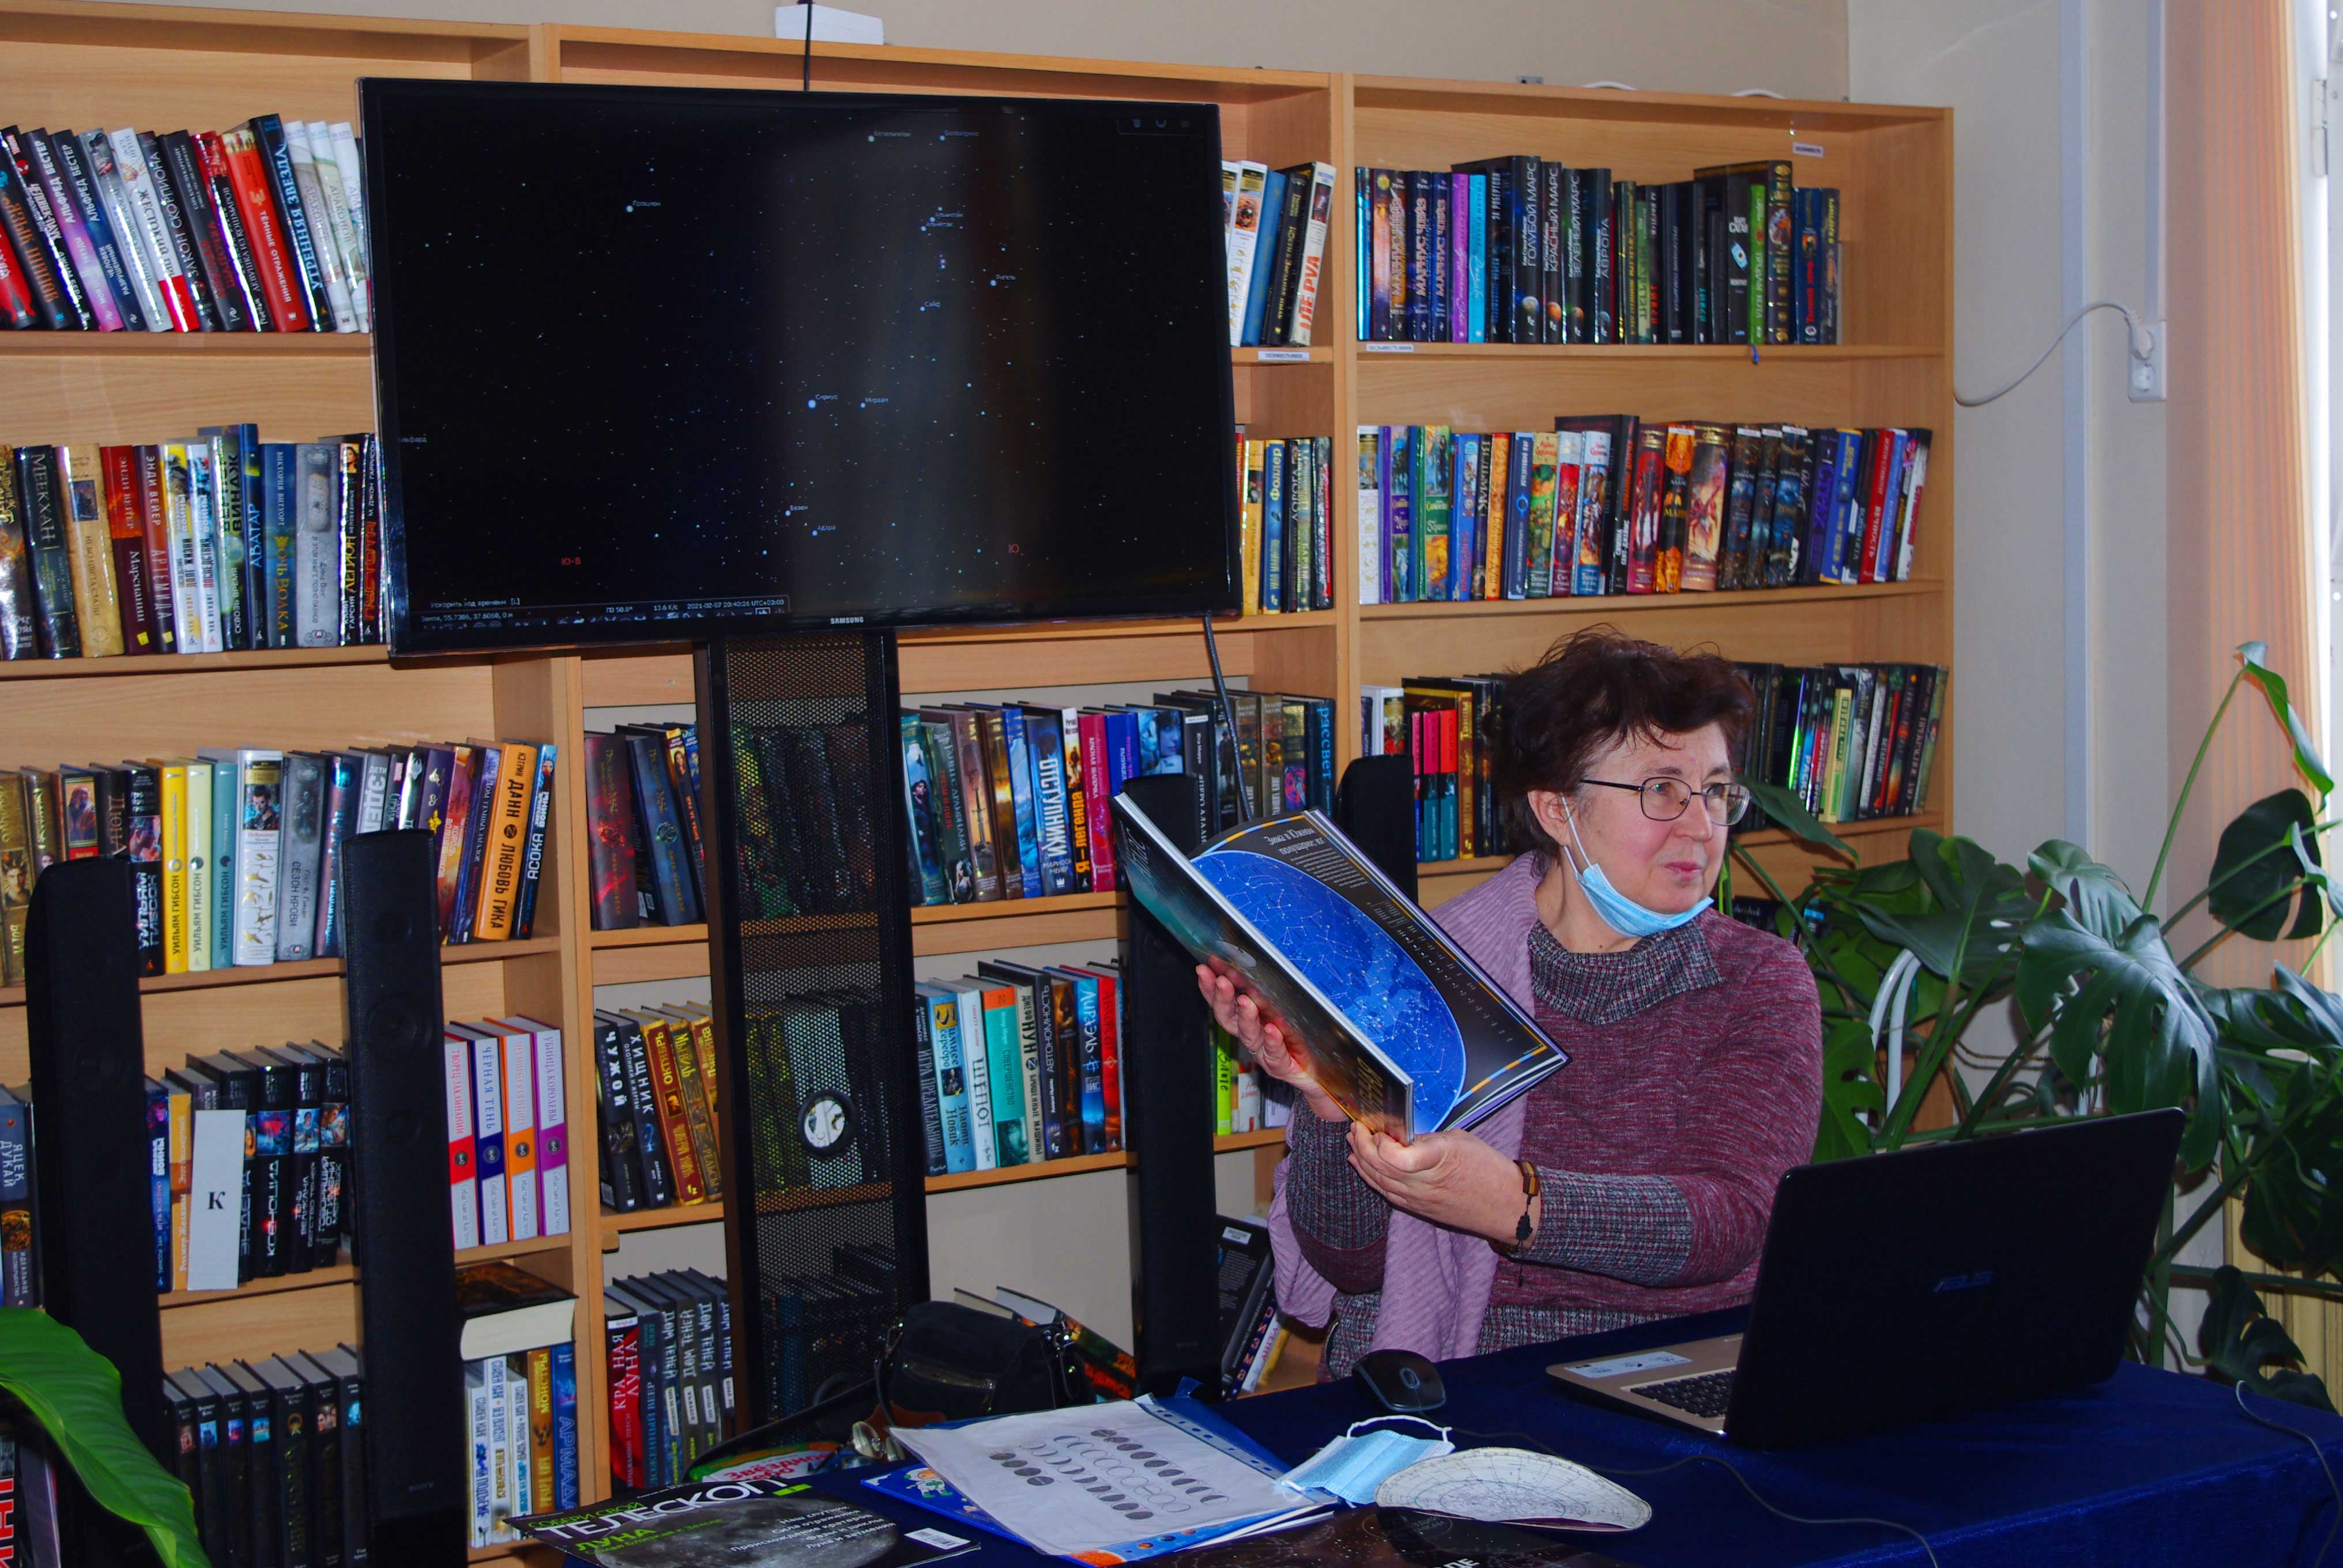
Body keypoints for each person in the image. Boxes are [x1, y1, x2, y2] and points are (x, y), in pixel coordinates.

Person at [1202, 628, 1822, 1377]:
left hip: (1667, 1367)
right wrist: (1330, 1093)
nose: (1700, 826)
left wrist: (1514, 1204)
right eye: (1661, 790)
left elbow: (1729, 1221)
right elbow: (1352, 1263)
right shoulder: (1422, 973)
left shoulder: (1760, 980)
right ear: (1558, 810)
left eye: (1716, 792)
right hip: (1447, 1373)